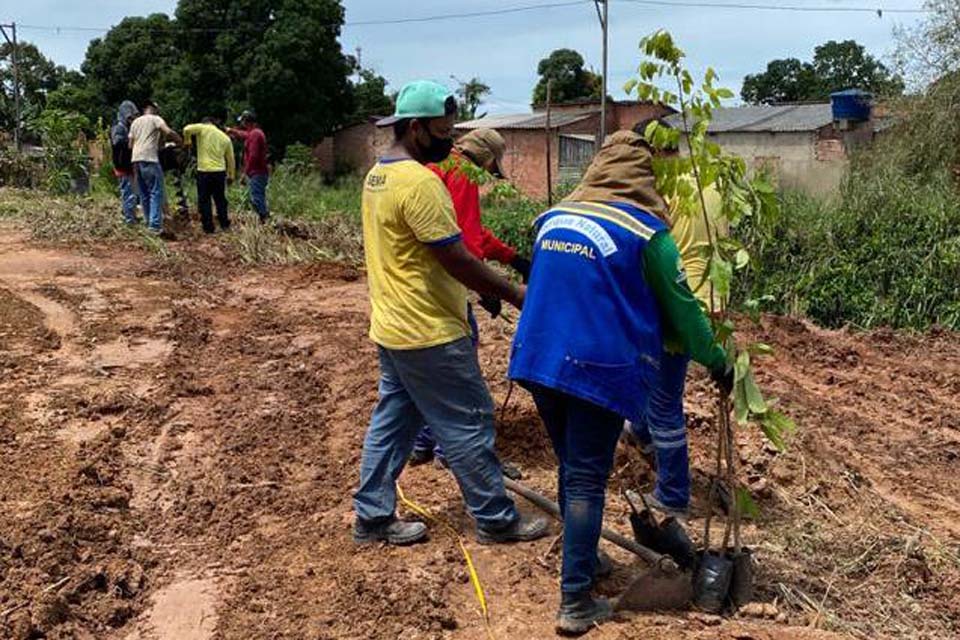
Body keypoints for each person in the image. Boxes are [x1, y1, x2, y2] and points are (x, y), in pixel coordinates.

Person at [507, 131, 734, 634]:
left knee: (572, 468)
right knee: (588, 477)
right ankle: (576, 601)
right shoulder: (646, 233)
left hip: (537, 359)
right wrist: (717, 360)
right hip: (595, 366)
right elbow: (684, 311)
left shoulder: (551, 219)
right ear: (644, 177)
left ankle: (584, 558)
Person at [352, 80, 548, 547]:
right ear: (416, 128)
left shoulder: (378, 175)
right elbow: (457, 257)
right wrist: (519, 294)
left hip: (393, 326)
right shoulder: (420, 183)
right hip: (430, 330)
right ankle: (497, 519)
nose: (449, 140)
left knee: (394, 420)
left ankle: (372, 516)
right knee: (468, 419)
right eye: (442, 132)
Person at [621, 118, 731, 520]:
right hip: (709, 298)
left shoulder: (657, 191)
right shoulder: (712, 186)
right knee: (658, 386)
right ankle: (641, 433)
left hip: (672, 305)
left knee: (665, 400)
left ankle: (672, 493)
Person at [409, 127, 532, 467]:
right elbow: (463, 239)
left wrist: (513, 258)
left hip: (421, 284)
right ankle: (455, 452)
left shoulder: (439, 166)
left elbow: (473, 231)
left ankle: (422, 442)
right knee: (462, 370)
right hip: (446, 286)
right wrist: (486, 288)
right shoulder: (461, 174)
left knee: (435, 371)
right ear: (487, 158)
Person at [129, 101, 182, 234]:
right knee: (155, 192)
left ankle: (148, 222)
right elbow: (168, 132)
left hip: (136, 159)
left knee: (144, 193)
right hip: (150, 159)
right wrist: (180, 141)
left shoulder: (135, 122)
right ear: (153, 109)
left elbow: (130, 144)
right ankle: (155, 225)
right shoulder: (156, 119)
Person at [183, 117, 236, 233]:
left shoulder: (203, 128)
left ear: (205, 123)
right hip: (219, 172)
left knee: (204, 200)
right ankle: (224, 224)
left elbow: (186, 129)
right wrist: (231, 175)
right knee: (220, 199)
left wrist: (188, 142)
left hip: (204, 171)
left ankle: (208, 227)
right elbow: (231, 159)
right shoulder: (225, 138)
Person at [227, 110, 270, 222]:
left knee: (256, 198)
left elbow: (253, 156)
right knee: (258, 196)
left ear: (247, 121)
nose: (242, 124)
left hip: (257, 172)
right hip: (258, 172)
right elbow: (245, 135)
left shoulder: (255, 134)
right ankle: (265, 219)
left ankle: (265, 220)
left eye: (243, 121)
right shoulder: (255, 133)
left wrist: (244, 173)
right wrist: (232, 131)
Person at [110, 100, 140, 224]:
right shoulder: (119, 127)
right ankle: (129, 220)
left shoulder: (127, 128)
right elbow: (116, 142)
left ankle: (130, 215)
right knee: (128, 193)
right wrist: (130, 142)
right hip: (122, 165)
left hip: (128, 165)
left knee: (133, 193)